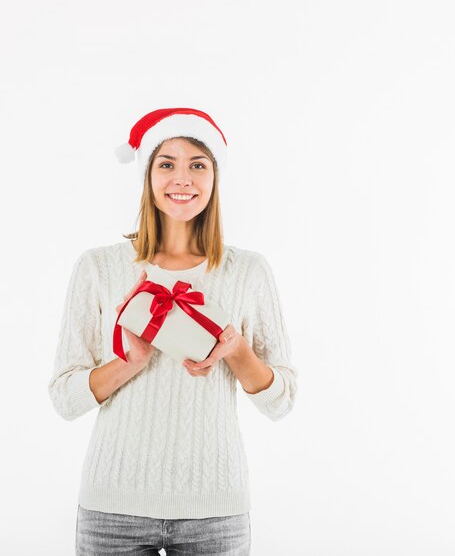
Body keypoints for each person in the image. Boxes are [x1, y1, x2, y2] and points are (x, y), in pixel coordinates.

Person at [48, 107, 298, 556]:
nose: (181, 178)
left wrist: (235, 350)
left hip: (215, 510)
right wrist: (130, 363)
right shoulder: (99, 268)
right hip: (112, 507)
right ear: (147, 176)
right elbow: (65, 398)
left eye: (197, 165)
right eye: (167, 164)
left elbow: (283, 400)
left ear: (214, 179)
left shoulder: (248, 272)